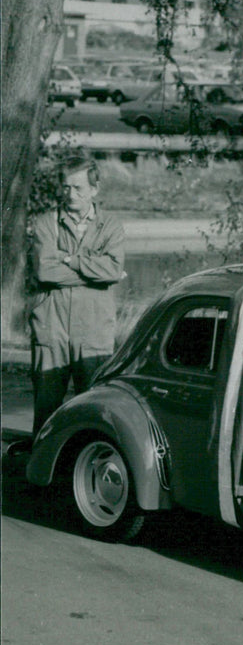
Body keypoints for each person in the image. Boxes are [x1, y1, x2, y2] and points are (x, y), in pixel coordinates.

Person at [28, 153, 125, 436]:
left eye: (79, 188)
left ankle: (85, 468)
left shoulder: (111, 226)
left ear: (94, 189)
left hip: (94, 331)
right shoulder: (47, 223)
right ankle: (39, 474)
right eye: (66, 187)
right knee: (47, 409)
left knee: (95, 409)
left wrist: (69, 260)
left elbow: (113, 269)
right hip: (51, 328)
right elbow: (44, 272)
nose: (71, 194)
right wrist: (94, 271)